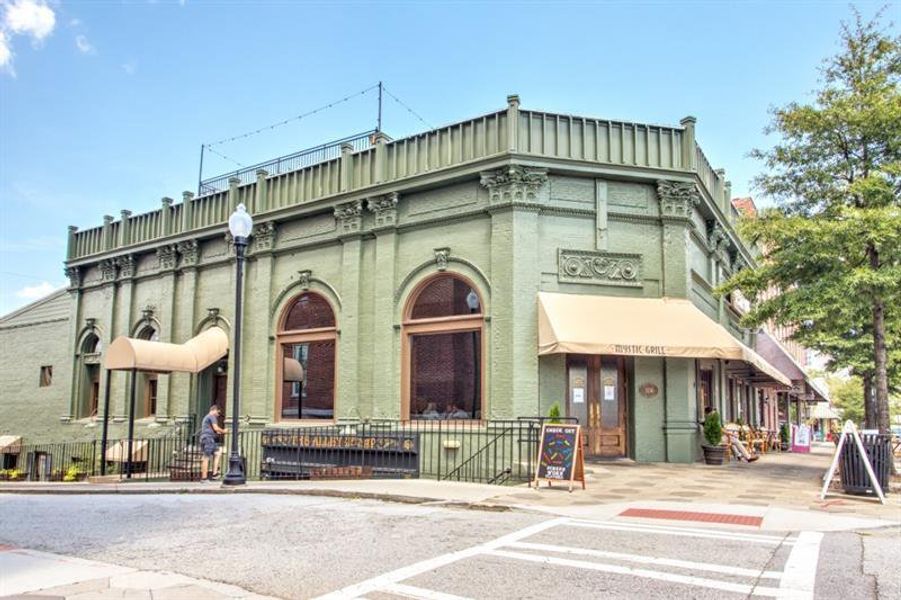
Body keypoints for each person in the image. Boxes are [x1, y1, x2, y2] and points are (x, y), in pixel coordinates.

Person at [199, 405, 227, 482]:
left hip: (209, 438)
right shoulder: (211, 416)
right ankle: (204, 478)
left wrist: (218, 432)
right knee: (206, 457)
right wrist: (224, 431)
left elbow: (213, 429)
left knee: (218, 453)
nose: (218, 415)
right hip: (208, 439)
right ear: (214, 410)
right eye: (218, 413)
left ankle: (215, 474)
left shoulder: (207, 418)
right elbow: (216, 428)